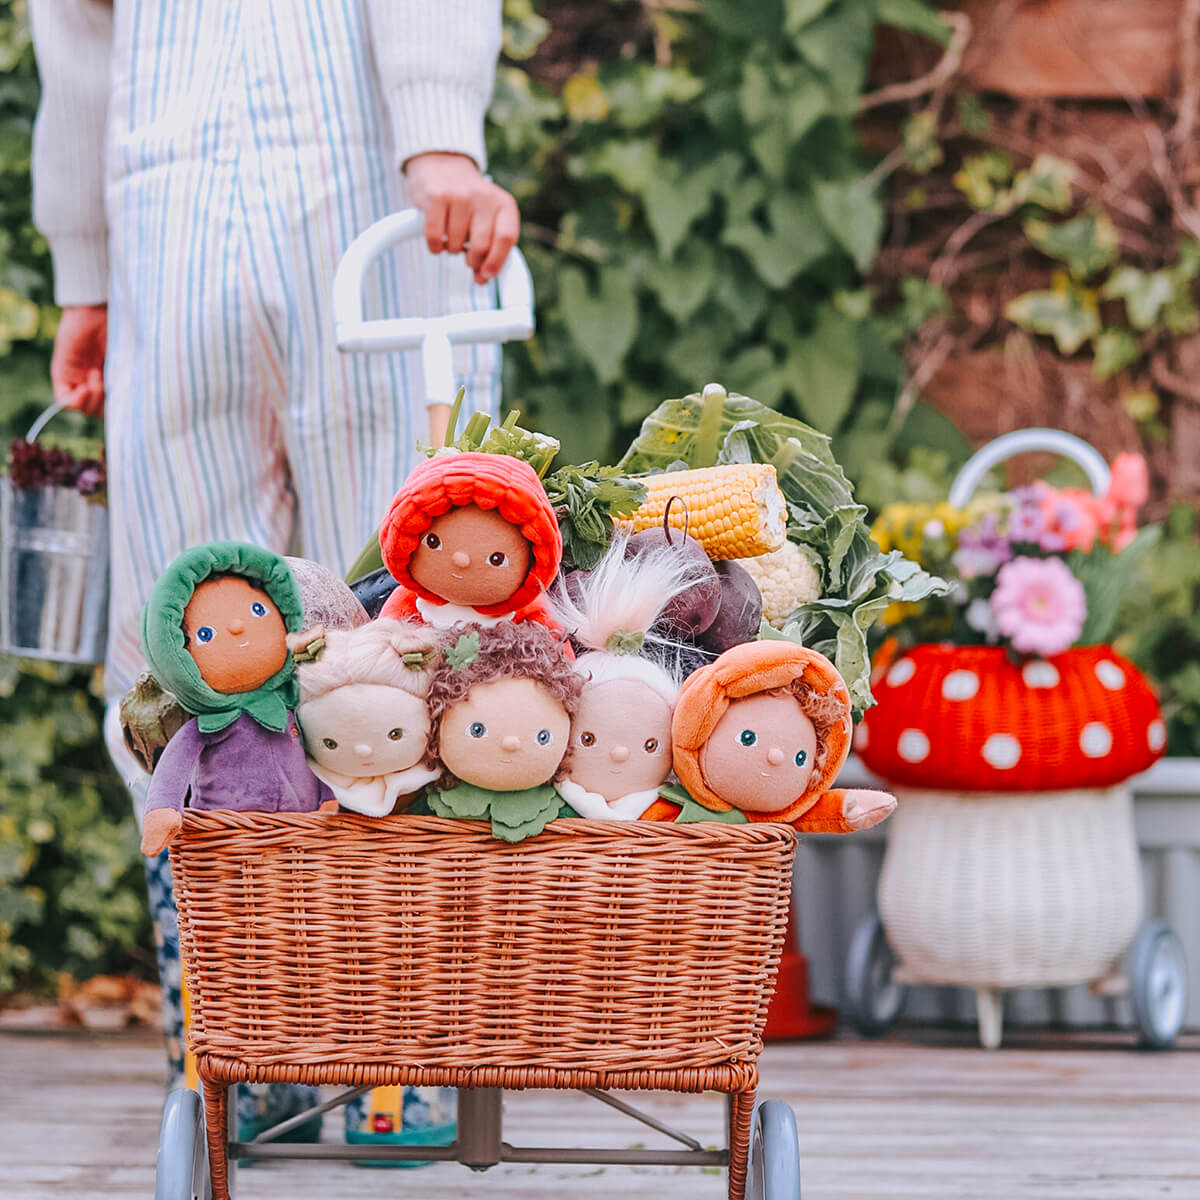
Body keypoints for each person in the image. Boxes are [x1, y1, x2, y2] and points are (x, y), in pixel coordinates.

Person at [29, 0, 519, 1135]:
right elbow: (77, 25)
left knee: (407, 607)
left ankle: (402, 1050)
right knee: (185, 630)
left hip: (369, 183)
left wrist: (439, 134)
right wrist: (85, 269)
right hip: (165, 201)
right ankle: (237, 1034)